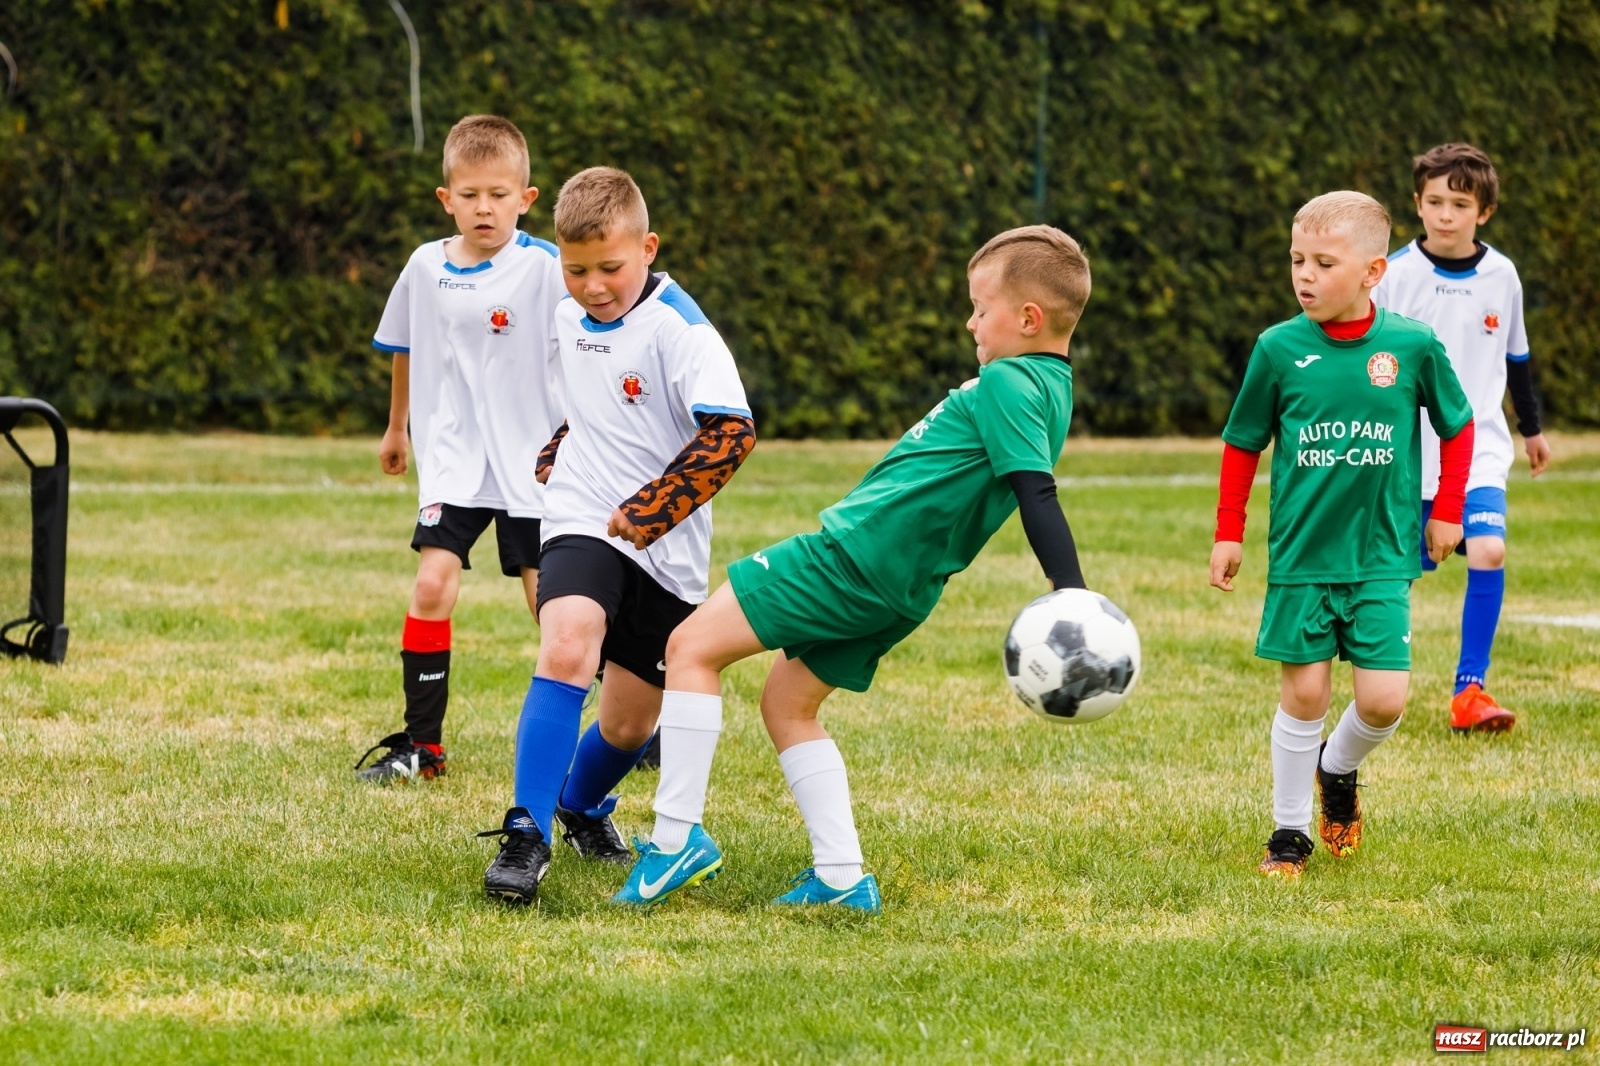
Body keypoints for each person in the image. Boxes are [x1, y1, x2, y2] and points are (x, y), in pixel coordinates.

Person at [615, 224, 1092, 914]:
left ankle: (673, 842)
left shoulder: (1013, 380)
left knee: (688, 648)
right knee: (787, 703)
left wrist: (1069, 591)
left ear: (1028, 319)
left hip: (852, 558)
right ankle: (841, 878)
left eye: (980, 308)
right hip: (899, 588)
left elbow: (1035, 492)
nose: (970, 322)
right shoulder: (1046, 383)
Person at [477, 167, 756, 904]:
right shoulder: (566, 316)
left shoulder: (681, 329)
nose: (593, 286)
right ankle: (526, 832)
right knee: (567, 643)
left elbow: (731, 431)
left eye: (610, 268)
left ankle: (582, 804)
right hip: (580, 517)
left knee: (630, 724)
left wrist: (656, 507)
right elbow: (596, 404)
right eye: (575, 270)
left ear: (648, 248)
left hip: (664, 550)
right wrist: (560, 445)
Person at [1210, 191, 1475, 878]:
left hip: (1383, 555)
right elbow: (1243, 442)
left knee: (1384, 701)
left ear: (1372, 272)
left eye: (1324, 262)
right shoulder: (1277, 348)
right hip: (1301, 557)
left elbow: (1458, 423)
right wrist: (1228, 532)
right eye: (1297, 259)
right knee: (1304, 696)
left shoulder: (1410, 347)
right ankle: (1288, 834)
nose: (1305, 275)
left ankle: (1339, 768)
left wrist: (1448, 507)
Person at [354, 115, 565, 784]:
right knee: (431, 585)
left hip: (532, 464)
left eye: (499, 194)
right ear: (446, 198)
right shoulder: (424, 266)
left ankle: (622, 726)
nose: (484, 207)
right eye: (470, 194)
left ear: (526, 199)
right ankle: (423, 748)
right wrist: (397, 429)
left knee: (553, 605)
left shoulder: (545, 268)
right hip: (453, 462)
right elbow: (406, 348)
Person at [1374, 143, 1551, 734]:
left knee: (1489, 550)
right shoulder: (1394, 275)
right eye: (1433, 202)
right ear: (1417, 205)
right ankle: (1375, 686)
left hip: (1479, 452)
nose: (1445, 214)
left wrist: (1532, 429)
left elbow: (1518, 359)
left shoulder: (1502, 275)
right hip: (1406, 458)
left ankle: (1469, 692)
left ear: (1485, 211)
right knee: (1394, 573)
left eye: (1459, 203)